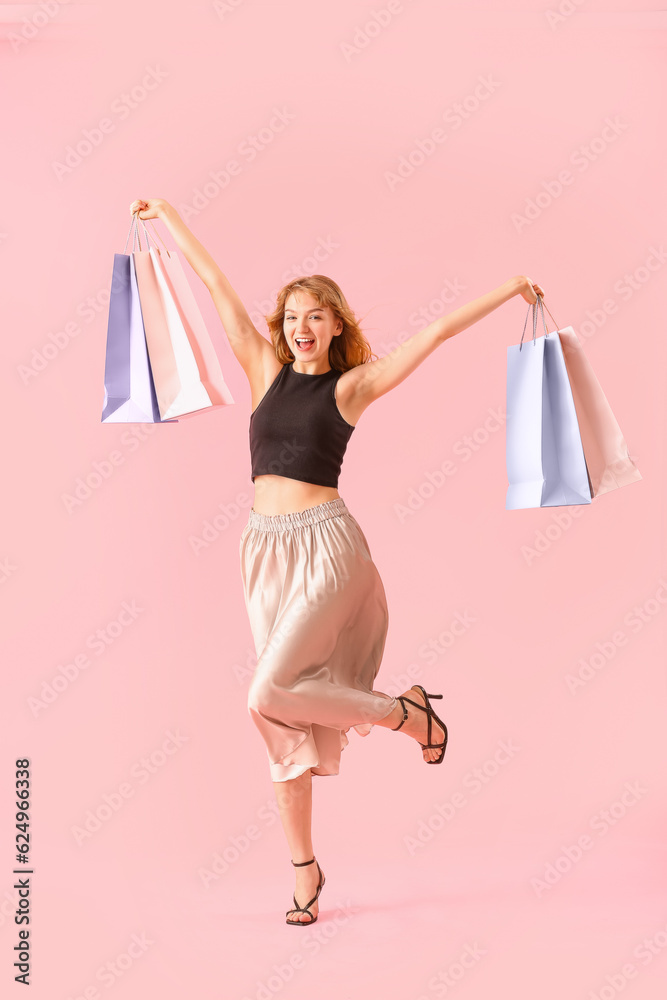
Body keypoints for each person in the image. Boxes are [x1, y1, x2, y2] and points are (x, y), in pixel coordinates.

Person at [129, 197, 544, 925]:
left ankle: (404, 716)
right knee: (283, 722)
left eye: (315, 316)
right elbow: (216, 286)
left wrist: (510, 284)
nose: (301, 328)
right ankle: (305, 872)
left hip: (326, 550)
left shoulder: (349, 388)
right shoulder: (262, 369)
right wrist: (165, 214)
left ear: (336, 325)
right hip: (262, 555)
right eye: (292, 316)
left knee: (267, 690)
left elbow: (436, 332)